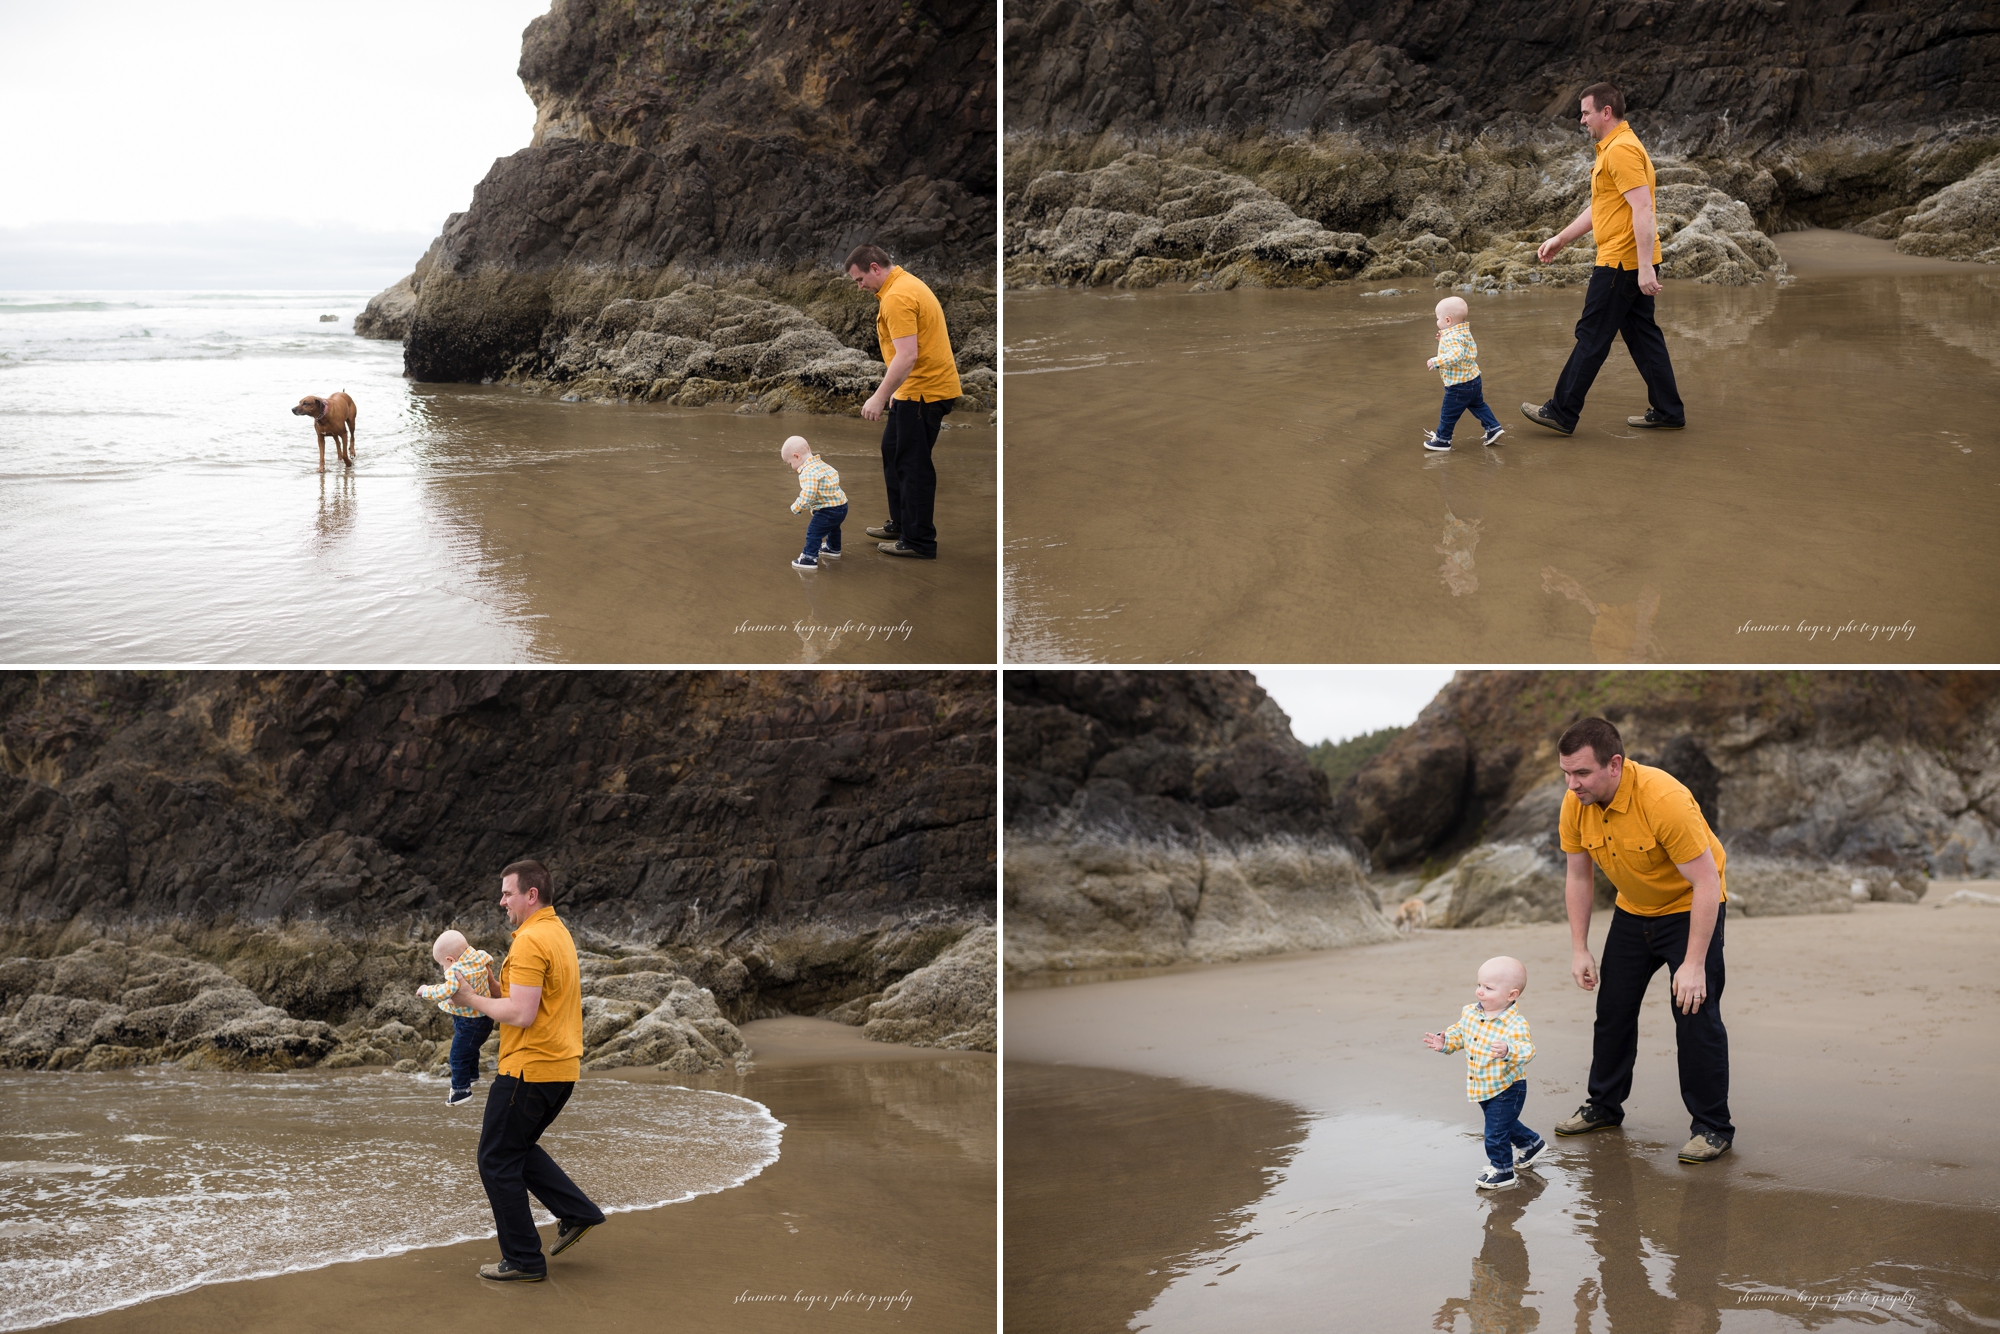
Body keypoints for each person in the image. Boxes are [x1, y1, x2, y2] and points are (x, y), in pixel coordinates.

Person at [1552, 717, 1734, 1163]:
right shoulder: (1576, 803)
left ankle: (1712, 1128)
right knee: (1612, 1010)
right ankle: (1603, 1106)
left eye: (1582, 773)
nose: (1572, 784)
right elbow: (1578, 876)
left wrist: (1693, 964)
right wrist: (1580, 948)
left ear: (1614, 765)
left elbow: (1707, 883)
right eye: (1566, 774)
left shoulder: (1663, 799)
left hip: (1689, 908)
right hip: (1634, 912)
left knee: (1694, 1011)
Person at [453, 858, 606, 1281]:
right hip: (559, 1068)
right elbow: (530, 1001)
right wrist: (489, 986)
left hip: (529, 1070)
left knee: (496, 1159)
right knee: (514, 1150)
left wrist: (468, 999)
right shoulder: (555, 933)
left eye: (507, 893)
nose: (501, 900)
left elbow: (520, 1014)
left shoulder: (530, 942)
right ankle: (577, 1212)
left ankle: (522, 1260)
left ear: (531, 894)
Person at [1521, 82, 1687, 436]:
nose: (1582, 120)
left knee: (1592, 335)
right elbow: (1603, 207)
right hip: (1627, 262)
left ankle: (1562, 411)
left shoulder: (1622, 150)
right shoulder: (1612, 148)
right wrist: (1562, 238)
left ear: (1606, 112)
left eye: (1585, 113)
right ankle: (1669, 410)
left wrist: (1643, 267)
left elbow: (1643, 208)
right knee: (1643, 336)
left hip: (1621, 264)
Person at [845, 244, 961, 560]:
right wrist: (897, 392)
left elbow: (908, 355)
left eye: (859, 279)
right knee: (892, 450)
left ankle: (919, 541)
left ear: (874, 268)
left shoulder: (897, 297)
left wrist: (880, 396)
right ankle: (901, 524)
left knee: (914, 465)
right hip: (914, 389)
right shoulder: (903, 284)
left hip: (925, 392)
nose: (859, 287)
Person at [1423, 955, 1545, 1190]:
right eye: (1479, 985)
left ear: (1512, 995)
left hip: (1508, 1086)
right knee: (1501, 1123)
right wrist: (1445, 1042)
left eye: (1488, 988)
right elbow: (1459, 1034)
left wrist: (1509, 1050)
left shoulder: (1515, 1024)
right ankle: (1532, 1144)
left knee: (1495, 1131)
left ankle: (1502, 1171)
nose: (1479, 991)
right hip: (1482, 1084)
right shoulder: (1471, 1013)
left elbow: (1528, 1051)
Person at [416, 929, 496, 1106]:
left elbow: (445, 990)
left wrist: (425, 990)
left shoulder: (456, 970)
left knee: (457, 1055)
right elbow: (489, 959)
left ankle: (461, 1091)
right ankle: (472, 1076)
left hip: (469, 1022)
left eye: (442, 964)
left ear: (450, 960)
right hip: (485, 1019)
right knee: (471, 1049)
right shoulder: (479, 956)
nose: (443, 968)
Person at [1423, 295, 1505, 452]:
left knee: (1448, 413)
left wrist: (1437, 361)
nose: (1436, 322)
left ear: (1448, 321)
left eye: (1437, 319)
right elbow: (1462, 348)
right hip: (1474, 380)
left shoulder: (1451, 337)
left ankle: (1442, 440)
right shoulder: (1462, 331)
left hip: (1458, 386)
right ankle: (1493, 427)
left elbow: (1457, 354)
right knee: (1478, 405)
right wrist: (1443, 339)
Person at [781, 433, 847, 569]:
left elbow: (808, 493)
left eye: (790, 463)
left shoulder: (807, 471)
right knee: (834, 527)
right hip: (842, 505)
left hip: (827, 510)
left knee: (813, 532)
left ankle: (809, 558)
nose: (792, 467)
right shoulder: (822, 464)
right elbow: (835, 477)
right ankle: (833, 548)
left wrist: (797, 507)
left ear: (797, 456)